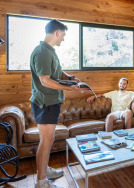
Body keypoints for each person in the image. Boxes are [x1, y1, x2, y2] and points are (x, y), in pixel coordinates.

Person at [30, 19, 88, 188]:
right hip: (45, 102)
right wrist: (73, 89)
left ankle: (45, 170)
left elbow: (57, 71)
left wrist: (69, 78)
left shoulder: (50, 51)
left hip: (52, 102)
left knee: (49, 139)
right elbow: (45, 81)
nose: (63, 39)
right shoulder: (42, 52)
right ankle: (41, 182)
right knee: (46, 140)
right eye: (63, 35)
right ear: (57, 33)